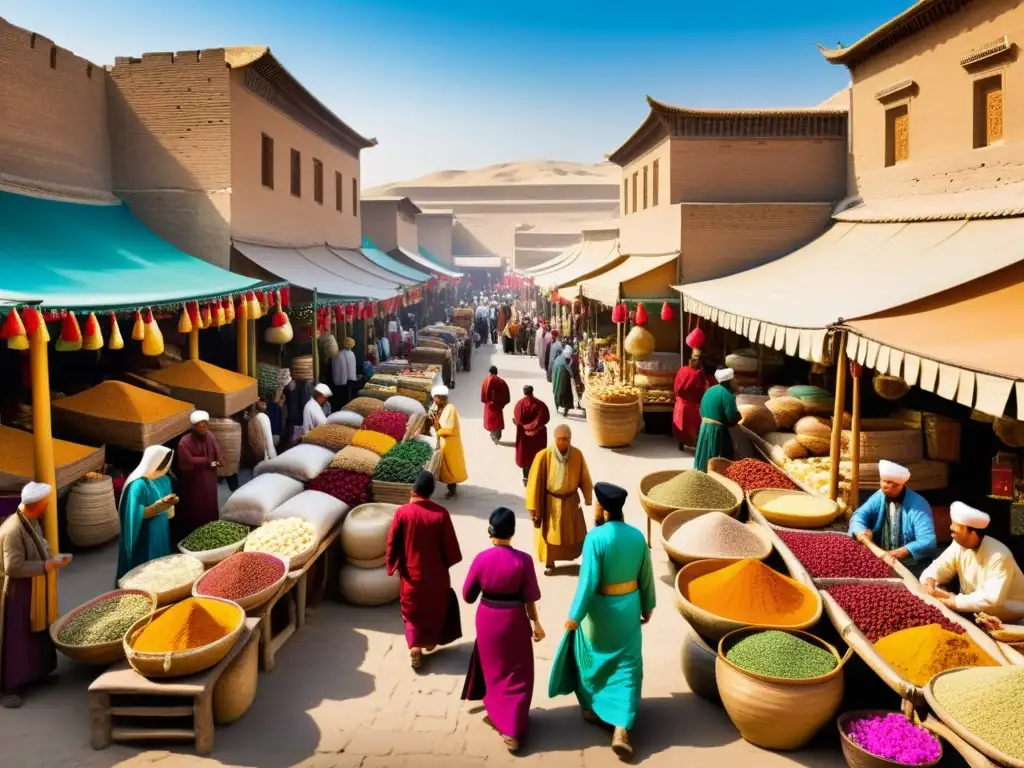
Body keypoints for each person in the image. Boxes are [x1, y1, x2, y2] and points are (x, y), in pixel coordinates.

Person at [549, 482, 656, 759]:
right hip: (629, 609)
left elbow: (587, 583)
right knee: (627, 665)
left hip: (599, 613)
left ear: (602, 508)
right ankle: (622, 727)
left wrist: (574, 616)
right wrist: (648, 605)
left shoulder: (595, 539)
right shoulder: (636, 537)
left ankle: (592, 708)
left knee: (591, 658)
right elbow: (646, 576)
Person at [461, 507, 544, 753]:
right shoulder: (524, 560)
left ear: (491, 531)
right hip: (514, 620)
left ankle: (500, 716)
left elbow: (467, 596)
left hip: (487, 618)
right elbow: (530, 599)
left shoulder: (481, 559)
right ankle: (514, 726)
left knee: (494, 669)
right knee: (518, 672)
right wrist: (536, 623)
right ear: (513, 532)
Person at [0, 483, 70, 708]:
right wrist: (47, 565)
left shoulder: (31, 521)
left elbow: (41, 546)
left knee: (37, 632)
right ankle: (9, 687)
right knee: (16, 639)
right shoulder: (12, 530)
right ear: (36, 504)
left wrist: (53, 559)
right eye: (46, 501)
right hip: (16, 592)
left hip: (35, 587)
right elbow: (14, 567)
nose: (48, 504)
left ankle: (37, 673)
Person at [385, 471, 463, 670]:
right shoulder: (441, 514)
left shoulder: (403, 513)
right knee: (434, 611)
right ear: (431, 492)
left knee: (412, 615)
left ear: (413, 490)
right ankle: (428, 643)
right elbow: (452, 551)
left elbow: (392, 544)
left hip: (411, 577)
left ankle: (415, 648)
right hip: (436, 578)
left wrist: (392, 565)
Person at [921, 501, 1024, 622]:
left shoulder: (1000, 556)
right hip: (977, 617)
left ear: (972, 533)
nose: (951, 534)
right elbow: (940, 566)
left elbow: (991, 599)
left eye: (955, 532)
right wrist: (930, 578)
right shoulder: (958, 546)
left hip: (1012, 622)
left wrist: (955, 601)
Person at [526, 424, 593, 575]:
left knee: (577, 532)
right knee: (550, 535)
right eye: (560, 439)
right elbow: (534, 483)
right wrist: (533, 508)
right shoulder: (543, 455)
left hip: (571, 501)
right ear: (555, 439)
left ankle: (578, 559)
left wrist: (588, 496)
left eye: (566, 439)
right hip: (552, 503)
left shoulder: (577, 454)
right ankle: (550, 563)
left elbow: (585, 477)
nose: (563, 442)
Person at [850, 460, 937, 576]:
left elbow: (927, 541)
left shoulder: (918, 505)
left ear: (899, 485)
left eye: (891, 485)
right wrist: (862, 534)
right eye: (883, 482)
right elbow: (859, 515)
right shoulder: (880, 495)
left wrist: (899, 552)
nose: (884, 488)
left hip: (912, 565)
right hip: (882, 560)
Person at [116, 446, 176, 583]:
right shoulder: (138, 485)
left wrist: (169, 504)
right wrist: (157, 507)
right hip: (146, 531)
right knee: (147, 562)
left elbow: (169, 507)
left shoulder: (163, 479)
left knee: (160, 557)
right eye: (162, 461)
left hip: (161, 526)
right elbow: (132, 513)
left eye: (167, 461)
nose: (165, 465)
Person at [174, 411, 224, 541]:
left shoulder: (209, 436)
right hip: (194, 479)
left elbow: (216, 448)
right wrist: (207, 461)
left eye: (205, 425)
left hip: (210, 476)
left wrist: (218, 459)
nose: (203, 427)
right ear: (193, 427)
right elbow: (188, 460)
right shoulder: (184, 443)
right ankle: (198, 535)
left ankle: (214, 529)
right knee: (197, 506)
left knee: (211, 503)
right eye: (199, 425)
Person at [693, 368, 741, 472]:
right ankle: (716, 474)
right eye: (735, 379)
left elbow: (702, 408)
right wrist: (738, 417)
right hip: (716, 429)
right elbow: (731, 417)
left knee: (705, 453)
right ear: (730, 380)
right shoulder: (728, 395)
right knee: (721, 454)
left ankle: (703, 471)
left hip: (704, 427)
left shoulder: (710, 390)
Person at [431, 385, 468, 499]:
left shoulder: (450, 409)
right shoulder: (437, 407)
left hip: (449, 443)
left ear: (441, 398)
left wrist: (438, 429)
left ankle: (452, 489)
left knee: (450, 467)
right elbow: (433, 417)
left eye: (436, 398)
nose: (434, 400)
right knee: (442, 467)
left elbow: (450, 429)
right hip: (442, 441)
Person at [672, 353, 711, 452]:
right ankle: (692, 444)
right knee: (691, 427)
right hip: (690, 404)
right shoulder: (694, 374)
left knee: (681, 426)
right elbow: (699, 389)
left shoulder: (683, 370)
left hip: (680, 403)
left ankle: (682, 442)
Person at [514, 385, 550, 487]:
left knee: (525, 456)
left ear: (524, 392)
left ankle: (526, 477)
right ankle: (537, 478)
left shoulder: (520, 404)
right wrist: (535, 426)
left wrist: (525, 427)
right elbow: (545, 419)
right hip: (538, 435)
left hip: (524, 437)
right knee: (536, 455)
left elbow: (518, 420)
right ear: (532, 391)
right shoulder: (540, 404)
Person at [481, 365, 511, 444]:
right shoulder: (500, 381)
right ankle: (497, 435)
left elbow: (483, 394)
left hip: (488, 404)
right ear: (496, 372)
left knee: (490, 419)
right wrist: (502, 403)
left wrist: (487, 401)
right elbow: (506, 393)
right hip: (497, 405)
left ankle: (492, 433)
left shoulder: (485, 380)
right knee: (497, 420)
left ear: (490, 372)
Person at [248, 396, 278, 463]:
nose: (265, 402)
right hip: (268, 458)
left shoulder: (259, 417)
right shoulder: (261, 417)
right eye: (261, 400)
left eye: (264, 400)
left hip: (265, 459)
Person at [551, 345, 575, 417]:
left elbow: (553, 370)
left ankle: (557, 407)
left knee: (557, 392)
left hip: (557, 377)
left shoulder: (558, 358)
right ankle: (566, 409)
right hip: (564, 377)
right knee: (567, 393)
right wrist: (572, 376)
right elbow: (569, 369)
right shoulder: (566, 361)